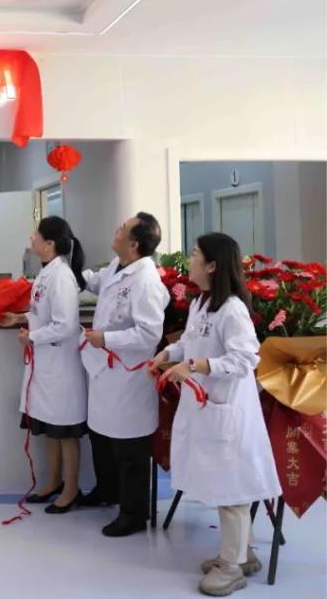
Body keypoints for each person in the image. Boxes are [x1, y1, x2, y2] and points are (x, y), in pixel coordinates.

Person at [152, 233, 280, 597]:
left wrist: (195, 365)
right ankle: (242, 555)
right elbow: (191, 341)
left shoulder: (232, 309)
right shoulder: (202, 302)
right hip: (208, 409)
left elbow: (245, 359)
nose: (189, 260)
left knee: (232, 490)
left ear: (211, 265)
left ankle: (232, 567)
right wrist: (169, 354)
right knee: (224, 485)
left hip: (229, 411)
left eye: (194, 254)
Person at [79, 212, 168, 536]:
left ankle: (133, 514)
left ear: (134, 244)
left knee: (129, 447)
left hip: (129, 375)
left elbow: (149, 333)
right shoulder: (119, 266)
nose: (116, 230)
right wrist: (72, 265)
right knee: (102, 435)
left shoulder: (146, 281)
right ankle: (107, 491)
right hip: (105, 370)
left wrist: (107, 338)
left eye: (122, 228)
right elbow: (98, 282)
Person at [2, 216, 88, 513]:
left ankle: (71, 489)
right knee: (51, 429)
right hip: (46, 366)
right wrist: (21, 318)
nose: (32, 237)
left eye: (36, 234)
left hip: (60, 367)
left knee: (65, 431)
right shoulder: (46, 273)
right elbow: (43, 312)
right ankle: (52, 481)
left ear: (49, 243)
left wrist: (32, 337)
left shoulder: (62, 276)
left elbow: (65, 325)